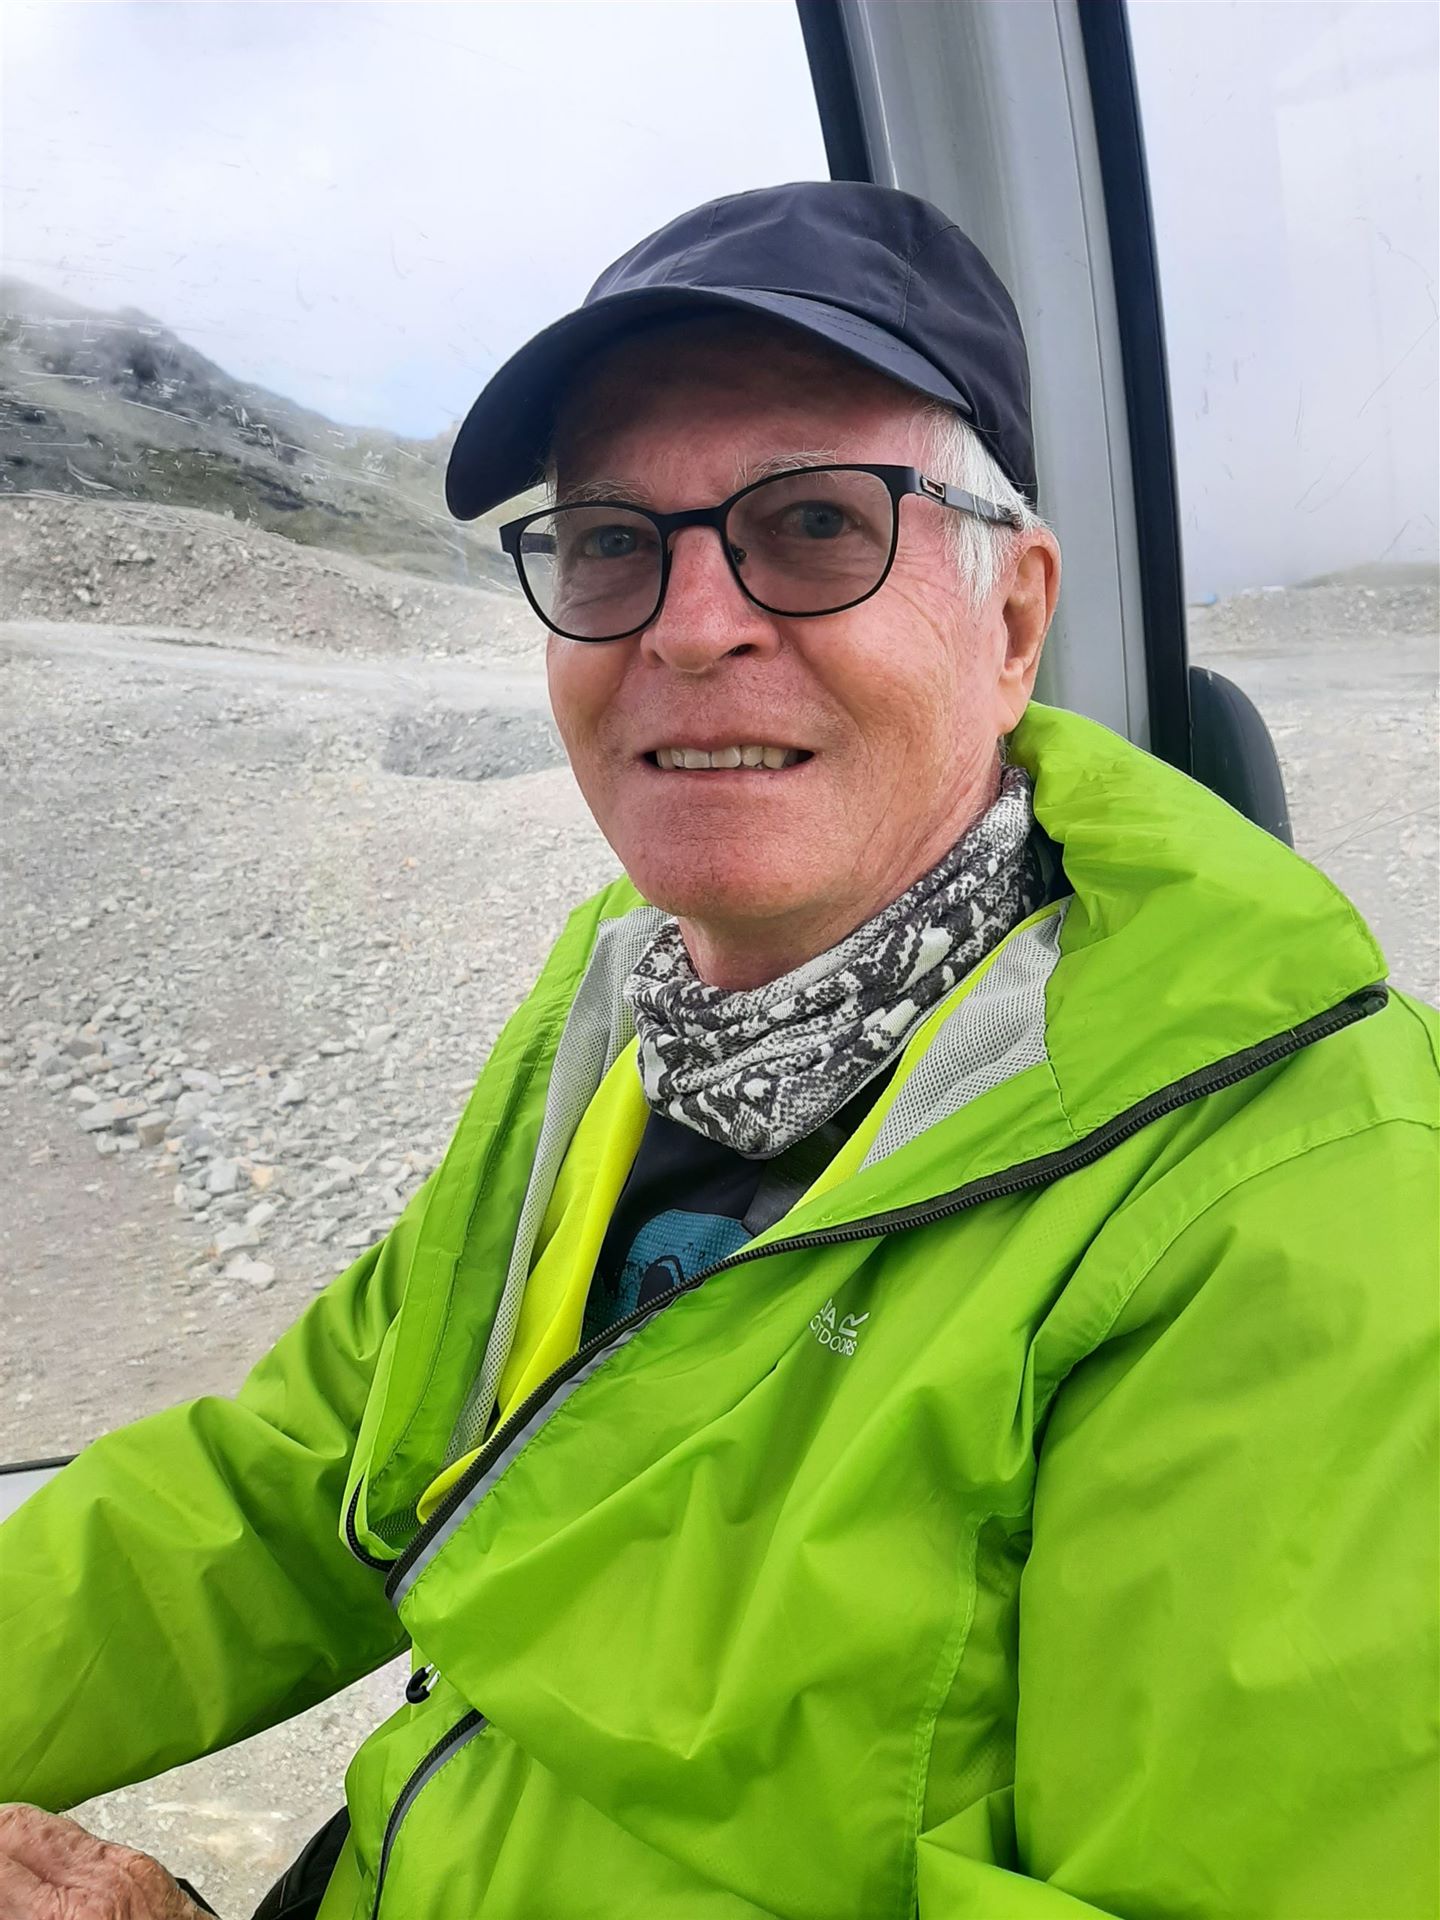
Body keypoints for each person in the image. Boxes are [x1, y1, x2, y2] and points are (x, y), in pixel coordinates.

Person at [1, 181, 1436, 1920]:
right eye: (614, 541)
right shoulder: (620, 1025)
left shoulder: (1298, 1201)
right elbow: (295, 1487)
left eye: (815, 525)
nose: (689, 627)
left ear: (1011, 620)